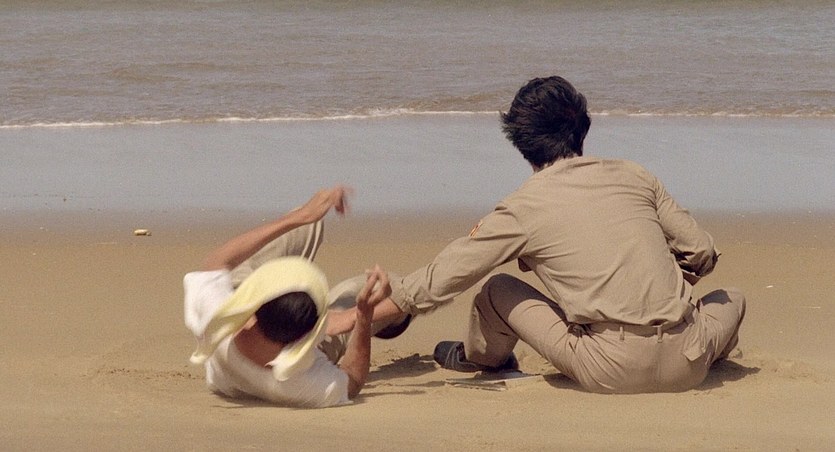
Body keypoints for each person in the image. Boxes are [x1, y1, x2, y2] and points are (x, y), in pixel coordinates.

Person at [383, 76, 746, 393]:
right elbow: (701, 250)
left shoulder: (523, 206)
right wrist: (667, 277)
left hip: (609, 369)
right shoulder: (635, 175)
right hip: (688, 362)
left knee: (496, 290)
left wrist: (375, 311)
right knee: (733, 298)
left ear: (520, 142)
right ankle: (705, 353)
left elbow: (450, 273)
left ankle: (483, 359)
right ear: (583, 129)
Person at [183, 186, 405, 407]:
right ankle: (398, 318)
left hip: (247, 340)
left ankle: (304, 221)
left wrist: (300, 217)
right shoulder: (302, 381)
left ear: (255, 304)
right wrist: (364, 317)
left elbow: (217, 262)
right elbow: (352, 381)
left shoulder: (217, 319)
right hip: (296, 341)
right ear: (306, 337)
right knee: (393, 286)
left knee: (310, 224)